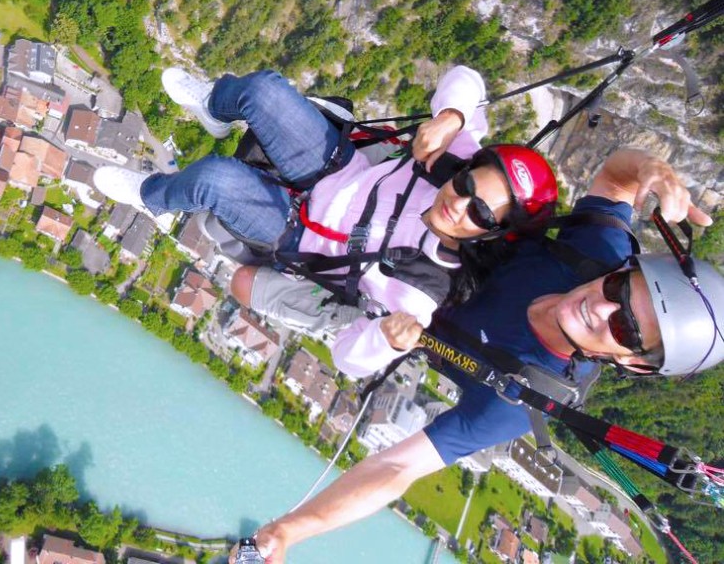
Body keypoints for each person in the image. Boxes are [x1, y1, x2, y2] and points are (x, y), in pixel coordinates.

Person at [228, 148, 719, 564]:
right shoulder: (597, 252)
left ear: (633, 362)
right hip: (432, 241)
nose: (601, 304)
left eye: (625, 326)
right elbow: (617, 175)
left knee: (244, 283)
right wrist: (654, 170)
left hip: (386, 316)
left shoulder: (521, 397)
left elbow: (396, 470)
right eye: (619, 287)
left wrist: (290, 530)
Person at [94, 68, 558, 374]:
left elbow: (347, 358)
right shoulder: (449, 157)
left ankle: (150, 196)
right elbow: (466, 79)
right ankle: (215, 109)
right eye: (468, 187)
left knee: (214, 178)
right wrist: (452, 118)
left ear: (490, 232)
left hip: (297, 230)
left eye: (479, 212)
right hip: (334, 168)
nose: (460, 203)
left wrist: (387, 342)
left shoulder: (423, 289)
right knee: (261, 91)